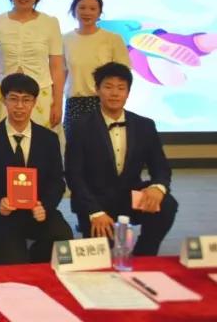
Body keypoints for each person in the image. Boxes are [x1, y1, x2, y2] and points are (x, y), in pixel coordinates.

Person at [65, 62, 177, 256]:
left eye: (121, 88)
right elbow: (74, 176)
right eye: (108, 87)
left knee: (167, 204)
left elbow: (161, 168)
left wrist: (157, 187)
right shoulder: (80, 126)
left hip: (129, 198)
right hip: (95, 202)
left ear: (128, 92)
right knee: (103, 259)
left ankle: (144, 254)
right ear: (97, 89)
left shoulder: (144, 125)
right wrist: (95, 211)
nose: (114, 93)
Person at [0, 73, 72, 265]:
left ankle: (33, 253)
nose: (19, 106)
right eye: (14, 99)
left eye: (26, 100)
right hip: (2, 213)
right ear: (4, 100)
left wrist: (45, 206)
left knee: (63, 238)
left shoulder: (49, 139)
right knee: (14, 265)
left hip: (37, 210)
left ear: (34, 102)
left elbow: (57, 182)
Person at [0, 0, 65, 129]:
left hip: (41, 94)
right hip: (4, 94)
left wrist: (58, 103)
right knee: (1, 140)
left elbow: (56, 67)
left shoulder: (50, 23)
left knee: (41, 141)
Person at [61, 0, 130, 140]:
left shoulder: (113, 39)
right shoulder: (65, 39)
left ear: (99, 13)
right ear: (74, 10)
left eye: (93, 9)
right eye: (82, 8)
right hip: (75, 103)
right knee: (74, 147)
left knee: (106, 147)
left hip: (105, 102)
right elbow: (61, 74)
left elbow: (124, 75)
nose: (87, 12)